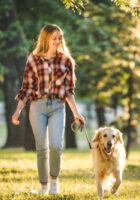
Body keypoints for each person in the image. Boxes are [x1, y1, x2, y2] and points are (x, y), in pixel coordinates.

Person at [11, 24, 85, 195]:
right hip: (37, 106)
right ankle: (43, 186)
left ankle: (54, 183)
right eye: (54, 38)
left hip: (58, 107)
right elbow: (27, 88)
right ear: (45, 39)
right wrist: (17, 111)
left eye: (60, 38)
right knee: (41, 148)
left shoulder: (66, 61)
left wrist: (76, 113)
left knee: (56, 146)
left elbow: (68, 92)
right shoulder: (33, 59)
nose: (58, 41)